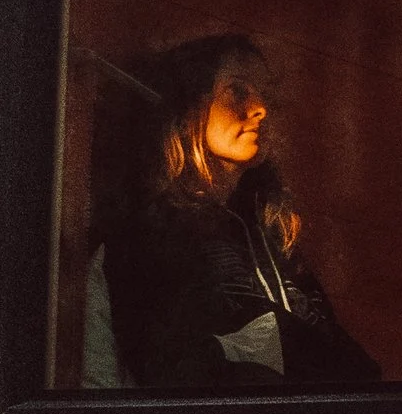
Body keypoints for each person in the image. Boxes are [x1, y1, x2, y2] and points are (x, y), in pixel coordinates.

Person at [96, 35, 378, 393]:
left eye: (266, 94)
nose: (260, 108)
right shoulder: (155, 230)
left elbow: (349, 360)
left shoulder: (270, 229)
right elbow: (175, 363)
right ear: (191, 104)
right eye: (238, 90)